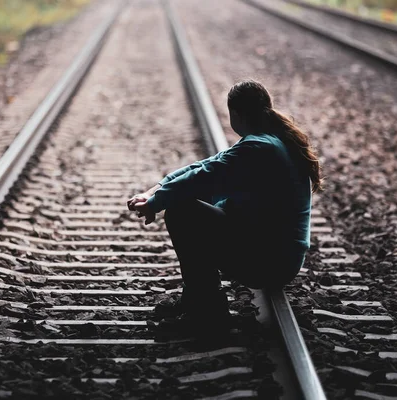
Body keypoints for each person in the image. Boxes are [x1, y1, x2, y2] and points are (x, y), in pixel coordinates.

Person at [126, 79, 323, 338]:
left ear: (237, 115)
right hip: (277, 255)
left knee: (182, 212)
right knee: (185, 206)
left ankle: (207, 314)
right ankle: (195, 302)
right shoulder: (270, 142)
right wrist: (153, 192)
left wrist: (156, 203)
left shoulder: (258, 148)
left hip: (270, 261)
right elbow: (203, 166)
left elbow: (203, 176)